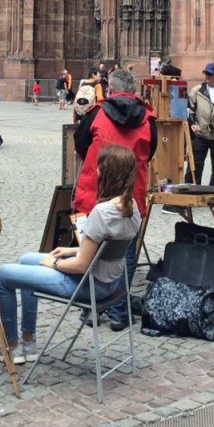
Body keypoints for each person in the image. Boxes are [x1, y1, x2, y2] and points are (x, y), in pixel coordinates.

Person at [0, 144, 142, 364]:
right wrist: (69, 250)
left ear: (109, 174)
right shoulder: (132, 207)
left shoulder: (102, 212)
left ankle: (10, 347)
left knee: (3, 275)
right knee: (26, 260)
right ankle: (28, 342)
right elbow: (103, 249)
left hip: (89, 286)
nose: (95, 171)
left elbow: (80, 266)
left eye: (99, 167)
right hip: (110, 283)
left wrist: (54, 263)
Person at [73, 67, 157, 329]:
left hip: (94, 192)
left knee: (89, 249)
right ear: (134, 91)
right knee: (125, 254)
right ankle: (120, 313)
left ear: (110, 88)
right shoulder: (147, 118)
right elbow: (150, 151)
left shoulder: (96, 114)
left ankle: (92, 310)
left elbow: (80, 145)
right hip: (130, 197)